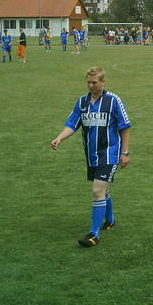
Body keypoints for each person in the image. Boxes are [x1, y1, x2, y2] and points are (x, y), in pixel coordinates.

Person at [50, 66, 131, 247]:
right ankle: (110, 220)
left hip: (109, 153)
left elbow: (124, 126)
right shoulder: (82, 102)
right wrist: (59, 138)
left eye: (95, 82)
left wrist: (125, 153)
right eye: (88, 82)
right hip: (91, 154)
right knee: (102, 190)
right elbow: (72, 123)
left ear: (103, 82)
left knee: (97, 191)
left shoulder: (113, 100)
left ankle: (93, 234)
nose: (91, 85)